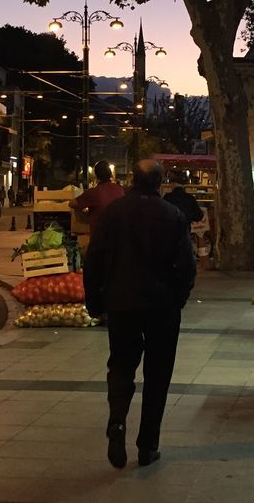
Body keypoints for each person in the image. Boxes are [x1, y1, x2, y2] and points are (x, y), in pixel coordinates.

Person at [83, 159, 196, 470]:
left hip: (121, 303)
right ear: (159, 183)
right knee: (158, 375)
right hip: (162, 306)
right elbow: (186, 267)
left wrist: (95, 302)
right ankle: (148, 445)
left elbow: (93, 260)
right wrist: (179, 298)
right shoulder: (172, 216)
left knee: (121, 365)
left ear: (132, 179)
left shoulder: (112, 214)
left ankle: (117, 421)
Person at [74, 160, 125, 233]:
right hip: (118, 234)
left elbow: (72, 203)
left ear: (96, 175)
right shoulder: (120, 190)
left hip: (100, 236)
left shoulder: (94, 192)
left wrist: (85, 213)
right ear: (110, 174)